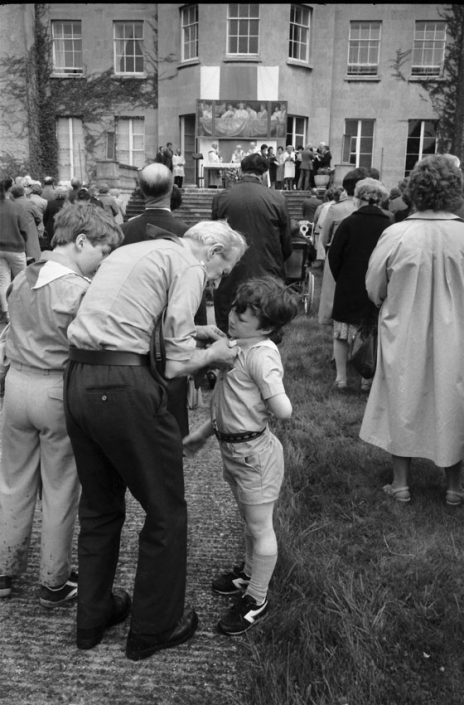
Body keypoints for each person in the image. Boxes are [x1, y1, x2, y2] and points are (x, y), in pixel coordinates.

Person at [63, 220, 247, 659]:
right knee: (166, 511)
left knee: (100, 508)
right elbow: (176, 365)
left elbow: (125, 317)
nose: (219, 279)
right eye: (224, 269)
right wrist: (215, 354)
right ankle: (153, 628)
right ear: (213, 249)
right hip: (125, 387)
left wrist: (189, 334)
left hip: (78, 377)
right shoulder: (188, 263)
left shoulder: (135, 250)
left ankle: (91, 619)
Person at [0, 202, 123, 604]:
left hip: (16, 386)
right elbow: (96, 341)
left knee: (12, 483)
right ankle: (53, 580)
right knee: (59, 488)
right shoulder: (77, 289)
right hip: (56, 389)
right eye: (102, 252)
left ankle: (3, 571)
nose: (103, 262)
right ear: (82, 240)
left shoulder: (21, 278)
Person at [183, 276, 298, 635]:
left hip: (255, 457)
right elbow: (225, 403)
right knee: (249, 522)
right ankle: (248, 573)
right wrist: (203, 434)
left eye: (244, 317)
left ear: (266, 327)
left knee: (261, 527)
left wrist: (269, 394)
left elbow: (283, 410)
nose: (233, 317)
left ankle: (257, 598)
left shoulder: (261, 357)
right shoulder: (235, 347)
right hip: (234, 452)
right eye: (234, 308)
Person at [359, 155, 464, 505]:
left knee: (401, 396)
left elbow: (374, 286)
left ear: (415, 189)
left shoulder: (397, 233)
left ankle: (401, 483)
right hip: (458, 334)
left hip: (404, 329)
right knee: (454, 398)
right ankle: (453, 487)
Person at [121, 163, 201, 437]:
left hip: (128, 333)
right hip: (170, 338)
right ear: (171, 189)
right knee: (171, 422)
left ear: (141, 190)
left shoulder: (124, 231)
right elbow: (193, 296)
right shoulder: (186, 234)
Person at [211, 153, 293, 333]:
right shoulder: (277, 198)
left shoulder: (222, 198)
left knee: (229, 327)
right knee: (265, 324)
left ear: (241, 170)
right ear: (264, 174)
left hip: (231, 271)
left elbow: (215, 237)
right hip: (266, 269)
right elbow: (286, 242)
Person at [328, 178, 391, 391]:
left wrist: (342, 277)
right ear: (380, 199)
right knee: (371, 332)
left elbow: (334, 256)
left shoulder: (348, 223)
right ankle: (367, 379)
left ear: (358, 197)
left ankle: (341, 378)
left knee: (341, 332)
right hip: (379, 284)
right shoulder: (389, 225)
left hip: (348, 282)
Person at [317, 168, 367, 326]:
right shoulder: (369, 209)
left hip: (337, 253)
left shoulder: (336, 209)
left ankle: (329, 316)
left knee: (332, 288)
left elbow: (324, 238)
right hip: (363, 254)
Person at [0, 181, 30, 322]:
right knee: (22, 279)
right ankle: (22, 309)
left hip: (0, 248)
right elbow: (24, 229)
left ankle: (7, 312)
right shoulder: (16, 207)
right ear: (9, 190)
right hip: (16, 247)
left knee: (3, 280)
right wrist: (23, 241)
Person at [10, 185, 42, 263]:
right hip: (29, 234)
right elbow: (39, 217)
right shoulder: (29, 203)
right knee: (32, 261)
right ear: (23, 192)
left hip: (14, 237)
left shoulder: (10, 204)